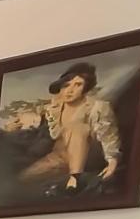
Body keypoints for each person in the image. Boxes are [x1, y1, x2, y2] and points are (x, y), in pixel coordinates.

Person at [17, 61, 121, 194]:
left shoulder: (97, 107)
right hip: (60, 157)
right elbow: (53, 133)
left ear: (86, 88)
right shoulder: (55, 108)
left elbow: (109, 136)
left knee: (77, 128)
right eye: (66, 85)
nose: (70, 90)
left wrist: (112, 162)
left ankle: (75, 178)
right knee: (24, 179)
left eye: (78, 85)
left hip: (88, 155)